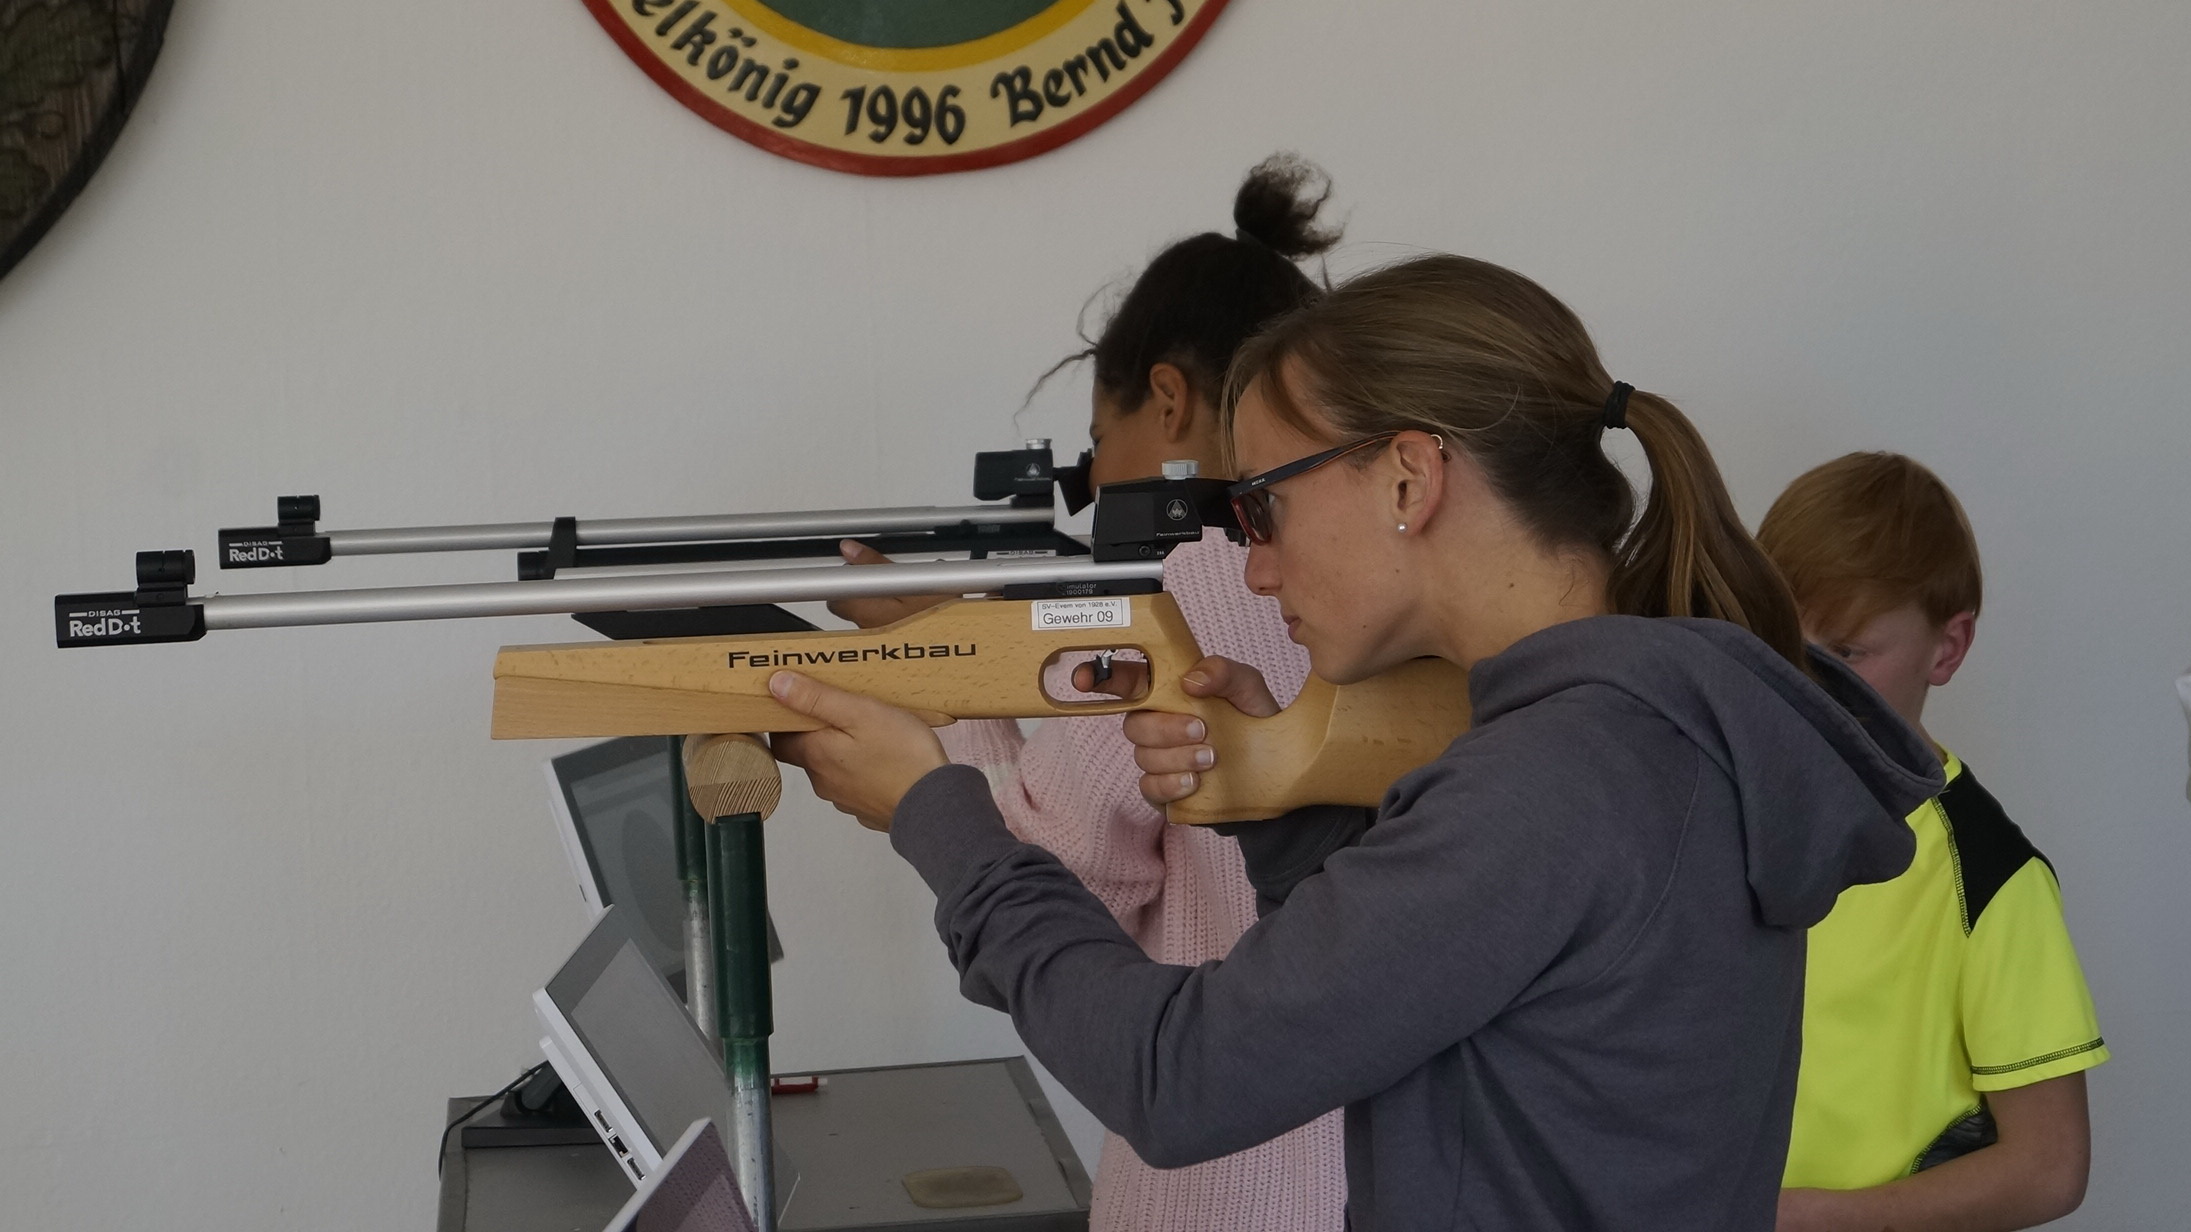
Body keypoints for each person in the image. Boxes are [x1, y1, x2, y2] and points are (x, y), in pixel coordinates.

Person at [768, 253, 1936, 1230]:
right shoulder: (1648, 733)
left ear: (1408, 477)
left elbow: (1176, 1077)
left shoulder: (1550, 785)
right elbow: (1456, 1007)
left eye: (1261, 504)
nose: (1252, 565)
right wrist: (1285, 812)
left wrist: (938, 812)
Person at [828, 155, 1348, 1232]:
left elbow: (1046, 888)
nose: (1093, 479)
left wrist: (947, 683)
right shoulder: (1353, 578)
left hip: (1224, 1182)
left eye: (1100, 444)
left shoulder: (1190, 588)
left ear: (1169, 400)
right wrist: (972, 649)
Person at [1757, 452, 2107, 1232]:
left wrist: (1812, 1219)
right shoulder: (1708, 815)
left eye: (1845, 653)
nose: (1802, 680)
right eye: (1777, 639)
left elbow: (2048, 1168)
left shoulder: (1990, 875)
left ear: (1945, 650)